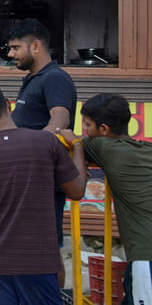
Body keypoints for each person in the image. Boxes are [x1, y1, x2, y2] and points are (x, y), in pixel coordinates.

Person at [0, 80, 86, 305]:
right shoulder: (46, 143)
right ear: (9, 105)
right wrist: (77, 146)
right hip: (39, 263)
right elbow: (77, 191)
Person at [60, 94, 152, 305]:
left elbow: (75, 145)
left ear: (104, 130)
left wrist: (73, 141)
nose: (85, 131)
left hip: (146, 256)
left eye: (87, 125)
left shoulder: (104, 147)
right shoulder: (145, 150)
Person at [4, 18, 77, 284]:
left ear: (35, 46)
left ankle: (52, 298)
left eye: (15, 48)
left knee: (50, 251)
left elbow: (60, 121)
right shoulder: (34, 79)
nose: (11, 54)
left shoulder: (55, 78)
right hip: (29, 177)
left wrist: (31, 149)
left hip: (44, 179)